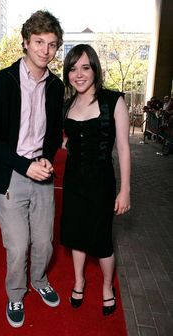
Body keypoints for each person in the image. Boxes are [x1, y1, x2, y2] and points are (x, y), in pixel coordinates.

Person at [0, 10, 64, 328]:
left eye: (52, 44)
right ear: (26, 43)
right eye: (39, 42)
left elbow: (54, 132)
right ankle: (16, 293)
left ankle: (39, 281)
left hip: (41, 172)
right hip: (11, 173)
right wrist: (24, 165)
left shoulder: (55, 87)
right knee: (18, 244)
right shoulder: (4, 81)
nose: (45, 50)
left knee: (43, 242)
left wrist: (46, 157)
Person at [60, 44, 131, 316]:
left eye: (85, 67)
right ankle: (79, 281)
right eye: (73, 69)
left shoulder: (114, 101)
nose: (79, 74)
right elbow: (68, 139)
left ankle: (107, 287)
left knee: (101, 240)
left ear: (95, 69)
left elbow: (123, 148)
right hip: (74, 180)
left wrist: (125, 190)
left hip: (102, 182)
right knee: (76, 235)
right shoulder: (67, 105)